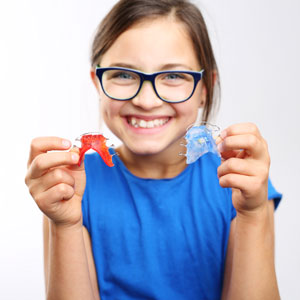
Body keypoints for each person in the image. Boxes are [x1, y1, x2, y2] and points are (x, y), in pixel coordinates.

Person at [25, 0, 282, 299]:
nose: (147, 101)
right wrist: (65, 223)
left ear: (205, 89)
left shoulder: (240, 184)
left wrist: (251, 214)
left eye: (173, 76)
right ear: (97, 82)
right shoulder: (72, 186)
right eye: (123, 74)